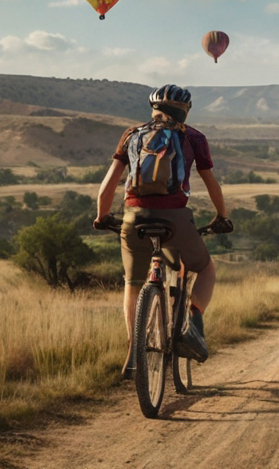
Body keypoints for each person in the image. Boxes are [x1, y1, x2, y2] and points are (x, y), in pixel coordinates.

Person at [94, 84, 230, 378]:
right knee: (206, 268)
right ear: (185, 111)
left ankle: (133, 352)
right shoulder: (193, 137)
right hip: (175, 219)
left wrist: (102, 216)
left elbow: (108, 186)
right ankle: (193, 322)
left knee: (132, 283)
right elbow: (211, 184)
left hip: (133, 217)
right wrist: (222, 215)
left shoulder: (132, 135)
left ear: (152, 109)